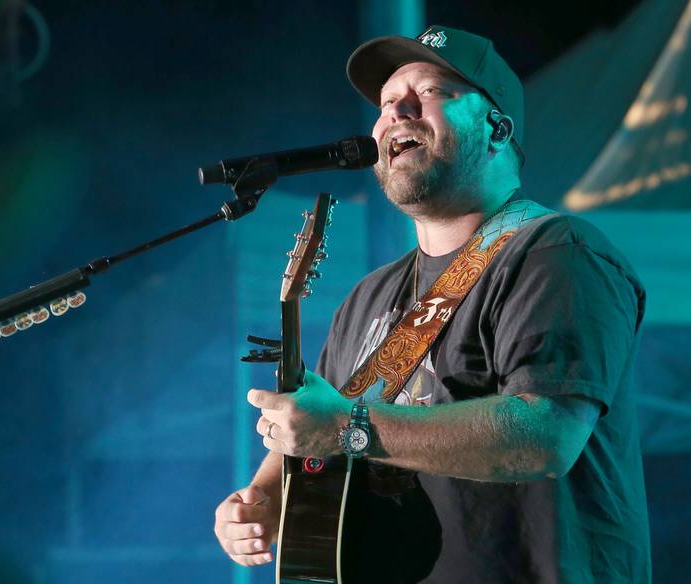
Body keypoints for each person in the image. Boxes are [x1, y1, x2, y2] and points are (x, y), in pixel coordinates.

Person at [214, 25, 651, 583]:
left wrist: (350, 427)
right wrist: (262, 501)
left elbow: (546, 437)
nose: (399, 109)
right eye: (387, 101)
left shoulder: (556, 252)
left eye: (434, 91)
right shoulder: (367, 297)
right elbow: (317, 428)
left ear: (496, 130)